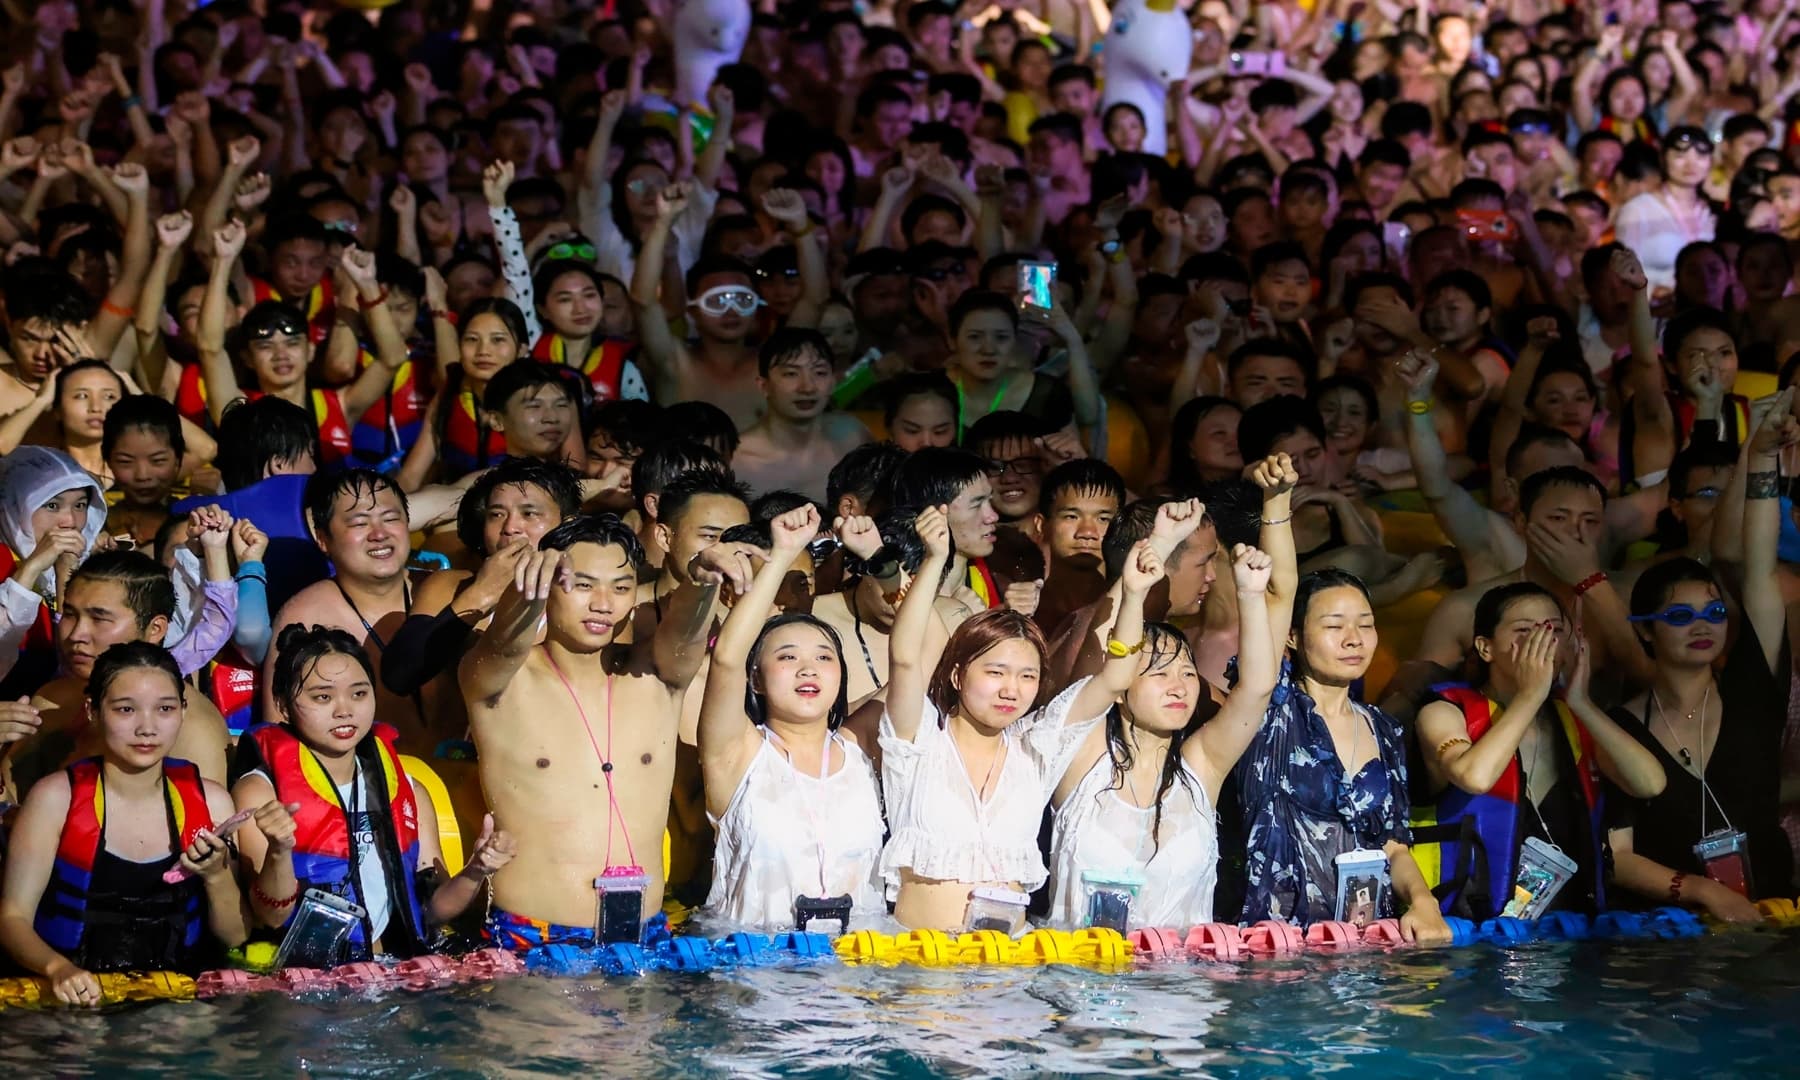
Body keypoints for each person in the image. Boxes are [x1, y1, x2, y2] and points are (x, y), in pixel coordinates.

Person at [879, 505, 1149, 932]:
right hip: (922, 968)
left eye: (1027, 676)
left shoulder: (1037, 746)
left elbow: (1115, 677)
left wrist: (1133, 595)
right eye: (995, 672)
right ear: (957, 674)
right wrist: (933, 561)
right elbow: (905, 659)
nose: (1011, 689)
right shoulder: (918, 740)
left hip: (1008, 972)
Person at [457, 515, 716, 946]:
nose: (603, 603)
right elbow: (501, 645)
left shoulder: (656, 676)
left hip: (646, 936)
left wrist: (703, 583)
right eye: (582, 585)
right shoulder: (499, 682)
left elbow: (685, 636)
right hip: (534, 939)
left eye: (620, 587)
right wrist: (526, 598)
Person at [1605, 395, 1797, 917]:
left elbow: (1758, 567)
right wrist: (1703, 891)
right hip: (1672, 935)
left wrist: (1761, 456)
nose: (1702, 626)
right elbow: (1618, 857)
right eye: (1679, 617)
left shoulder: (1752, 688)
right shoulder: (1621, 724)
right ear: (1645, 633)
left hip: (1774, 920)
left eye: (1713, 613)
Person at [232, 626, 516, 961]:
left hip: (391, 967)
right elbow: (271, 917)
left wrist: (476, 869)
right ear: (282, 703)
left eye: (359, 694)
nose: (344, 710)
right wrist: (280, 850)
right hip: (306, 976)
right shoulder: (261, 792)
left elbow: (433, 911)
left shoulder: (409, 791)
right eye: (322, 697)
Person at [1047, 541, 1278, 930]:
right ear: (1120, 688)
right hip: (1081, 982)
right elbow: (1098, 665)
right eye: (1158, 673)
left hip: (1182, 985)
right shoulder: (1081, 757)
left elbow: (1256, 690)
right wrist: (1134, 596)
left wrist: (1251, 597)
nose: (1179, 686)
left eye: (1187, 673)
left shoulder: (1202, 768)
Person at [0, 642, 246, 1002]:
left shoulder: (212, 803)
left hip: (176, 1008)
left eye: (164, 709)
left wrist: (216, 875)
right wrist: (57, 969)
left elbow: (235, 936)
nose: (146, 728)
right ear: (93, 711)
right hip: (74, 1000)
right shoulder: (55, 800)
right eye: (126, 709)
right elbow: (12, 918)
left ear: (183, 711)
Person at [1416, 583, 1666, 918]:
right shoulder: (1445, 713)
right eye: (1524, 631)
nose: (1543, 641)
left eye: (1554, 630)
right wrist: (1530, 694)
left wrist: (1582, 703)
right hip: (1472, 936)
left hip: (1570, 931)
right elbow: (1473, 777)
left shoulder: (1575, 720)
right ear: (1485, 648)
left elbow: (1649, 783)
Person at [1234, 568, 1452, 942]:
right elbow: (1277, 597)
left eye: (1365, 625)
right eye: (1334, 627)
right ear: (1292, 636)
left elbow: (1395, 846)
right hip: (1277, 948)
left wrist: (1423, 902)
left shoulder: (1384, 729)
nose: (1354, 640)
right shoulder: (1269, 712)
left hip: (1365, 943)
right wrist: (1277, 510)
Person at [694, 505, 885, 931]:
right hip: (756, 975)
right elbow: (726, 659)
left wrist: (878, 558)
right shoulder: (737, 753)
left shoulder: (861, 747)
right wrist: (782, 554)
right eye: (787, 657)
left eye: (823, 657)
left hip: (855, 975)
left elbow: (924, 661)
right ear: (756, 680)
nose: (808, 668)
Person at [0, 447, 108, 697]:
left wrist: (66, 574)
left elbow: (76, 665)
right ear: (14, 506)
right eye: (52, 505)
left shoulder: (86, 567)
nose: (70, 521)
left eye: (80, 505)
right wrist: (32, 567)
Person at [731, 329, 874, 502]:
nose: (807, 387)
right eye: (791, 374)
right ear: (763, 385)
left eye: (819, 373)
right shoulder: (737, 461)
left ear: (832, 382)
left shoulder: (853, 436)